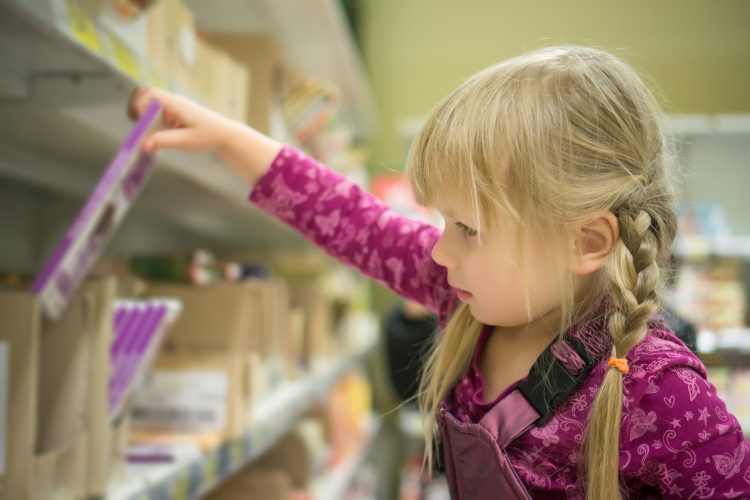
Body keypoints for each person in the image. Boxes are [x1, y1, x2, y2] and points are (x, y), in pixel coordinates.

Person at [129, 45, 750, 499]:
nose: (440, 253)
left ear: (586, 240)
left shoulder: (661, 393)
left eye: (468, 229)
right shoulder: (467, 301)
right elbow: (353, 221)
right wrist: (227, 140)